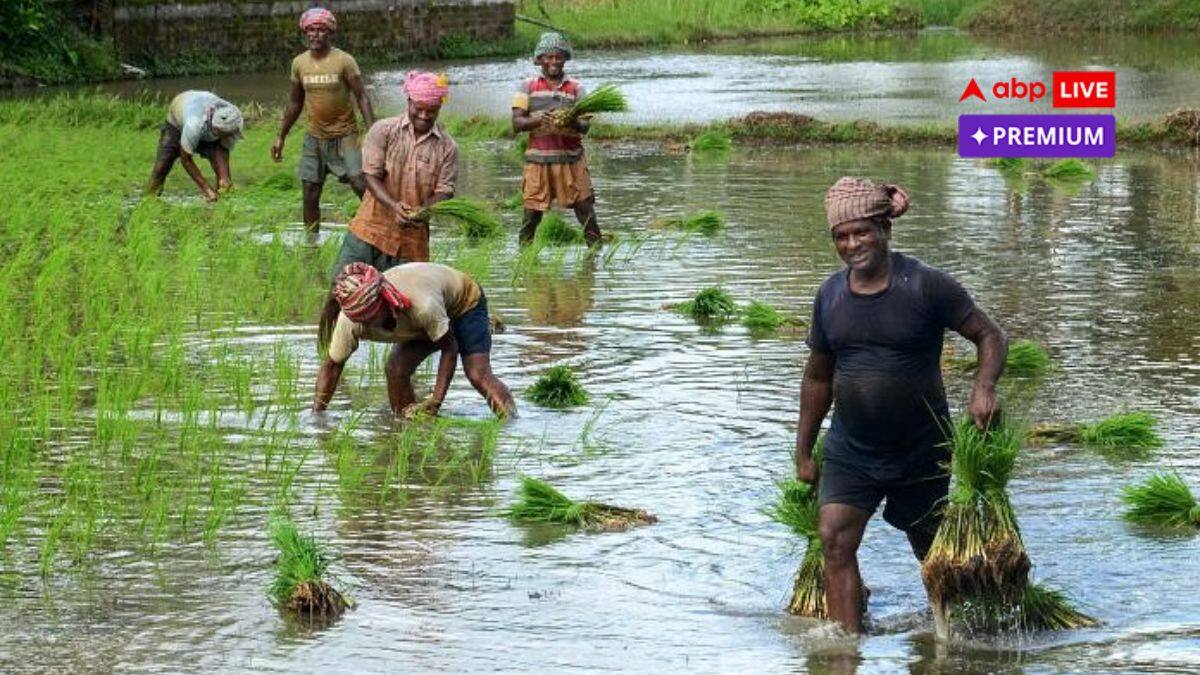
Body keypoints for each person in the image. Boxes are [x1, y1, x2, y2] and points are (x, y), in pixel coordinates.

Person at [794, 177, 1007, 634]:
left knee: (932, 549)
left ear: (884, 230)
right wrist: (805, 451)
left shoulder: (926, 286)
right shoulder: (830, 296)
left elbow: (989, 335)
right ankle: (843, 651)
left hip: (921, 449)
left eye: (862, 232)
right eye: (841, 236)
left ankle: (950, 640)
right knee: (834, 539)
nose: (852, 244)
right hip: (852, 448)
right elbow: (817, 377)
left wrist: (984, 386)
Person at [314, 262, 514, 418]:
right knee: (395, 370)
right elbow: (332, 366)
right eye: (363, 321)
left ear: (385, 301)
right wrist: (317, 416)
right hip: (423, 322)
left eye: (373, 318)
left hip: (463, 304)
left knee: (477, 374)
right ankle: (407, 425)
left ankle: (511, 422)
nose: (369, 325)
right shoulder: (351, 321)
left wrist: (436, 400)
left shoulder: (422, 306)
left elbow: (450, 348)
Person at [272, 6, 375, 233]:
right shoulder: (299, 63)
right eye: (310, 30)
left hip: (346, 135)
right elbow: (295, 103)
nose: (314, 34)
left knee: (360, 183)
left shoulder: (344, 61)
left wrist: (374, 133)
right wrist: (281, 136)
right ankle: (312, 242)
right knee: (309, 190)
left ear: (330, 33)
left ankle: (378, 227)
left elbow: (362, 97)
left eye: (320, 30)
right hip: (314, 137)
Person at [511, 32, 600, 246]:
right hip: (538, 162)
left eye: (558, 57)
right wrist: (539, 119)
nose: (553, 62)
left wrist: (570, 120)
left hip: (571, 160)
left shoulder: (577, 88)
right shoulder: (527, 87)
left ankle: (596, 259)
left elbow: (585, 127)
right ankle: (525, 260)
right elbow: (516, 123)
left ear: (565, 59)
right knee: (531, 216)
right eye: (548, 57)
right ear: (539, 59)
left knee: (586, 211)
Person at [147, 90, 243, 202]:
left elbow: (223, 150)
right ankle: (148, 202)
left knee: (225, 183)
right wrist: (206, 189)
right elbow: (186, 159)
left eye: (225, 135)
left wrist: (224, 178)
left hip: (203, 110)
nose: (223, 137)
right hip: (177, 122)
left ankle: (220, 207)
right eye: (220, 134)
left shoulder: (234, 121)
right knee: (161, 168)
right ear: (215, 127)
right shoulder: (194, 124)